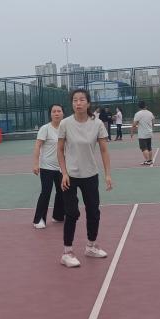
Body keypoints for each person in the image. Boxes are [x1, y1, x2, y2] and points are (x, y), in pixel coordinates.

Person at [57, 89, 113, 268]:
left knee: (94, 212)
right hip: (70, 176)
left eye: (82, 100)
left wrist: (107, 174)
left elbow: (104, 150)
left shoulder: (97, 124)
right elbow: (60, 150)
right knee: (72, 213)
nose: (78, 103)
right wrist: (64, 173)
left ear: (88, 103)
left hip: (90, 175)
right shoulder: (65, 124)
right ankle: (67, 253)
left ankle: (91, 246)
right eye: (75, 100)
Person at [32, 104, 66, 229]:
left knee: (62, 191)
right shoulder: (45, 129)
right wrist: (36, 163)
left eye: (59, 111)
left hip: (61, 167)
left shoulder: (66, 128)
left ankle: (58, 216)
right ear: (50, 114)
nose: (56, 113)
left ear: (63, 113)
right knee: (46, 192)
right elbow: (37, 146)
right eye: (54, 111)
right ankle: (39, 219)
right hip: (47, 167)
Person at [132, 101, 156, 165]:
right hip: (149, 133)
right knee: (149, 148)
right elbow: (153, 123)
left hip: (142, 134)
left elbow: (134, 124)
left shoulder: (138, 114)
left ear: (139, 107)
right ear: (145, 106)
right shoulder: (150, 113)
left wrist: (132, 132)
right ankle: (150, 160)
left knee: (144, 148)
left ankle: (148, 161)